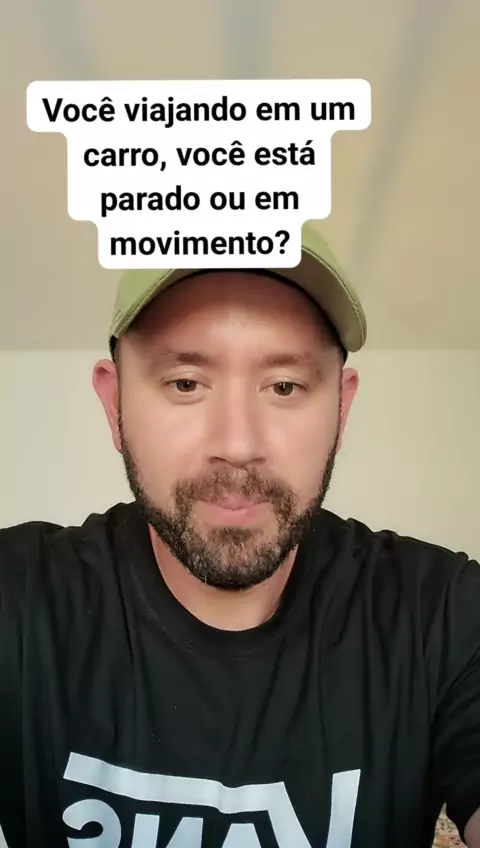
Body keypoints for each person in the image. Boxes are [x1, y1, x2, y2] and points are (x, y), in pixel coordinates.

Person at [0, 223, 479, 848]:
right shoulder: (19, 599)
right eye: (186, 384)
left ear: (341, 408)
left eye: (284, 386)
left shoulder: (444, 614)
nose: (238, 444)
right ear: (114, 404)